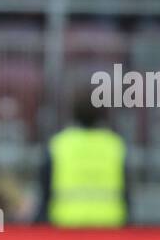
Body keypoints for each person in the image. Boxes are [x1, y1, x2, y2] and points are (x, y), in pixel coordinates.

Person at [37, 91, 130, 227]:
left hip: (66, 226)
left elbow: (45, 194)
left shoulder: (59, 144)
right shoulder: (114, 145)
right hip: (109, 226)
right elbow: (126, 194)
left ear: (73, 112)